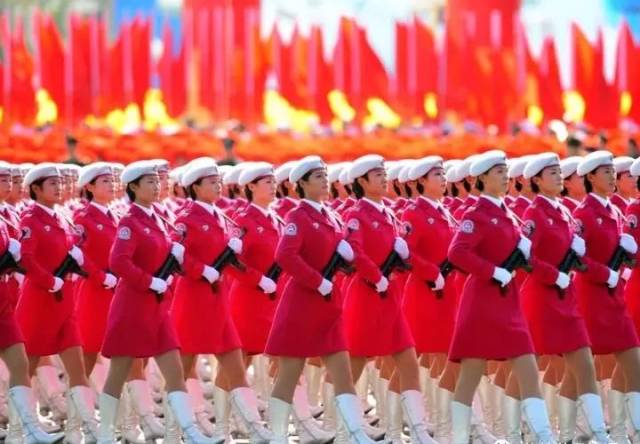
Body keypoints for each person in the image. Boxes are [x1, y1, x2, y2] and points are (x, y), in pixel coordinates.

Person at [97, 160, 220, 444]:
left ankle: (188, 432)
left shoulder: (159, 219)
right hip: (133, 306)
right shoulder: (130, 221)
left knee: (175, 371)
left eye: (157, 181)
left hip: (158, 307)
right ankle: (105, 434)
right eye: (149, 182)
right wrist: (149, 281)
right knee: (119, 372)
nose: (157, 186)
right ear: (133, 187)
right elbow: (118, 261)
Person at [265, 155, 382, 444]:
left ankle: (354, 434)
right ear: (302, 184)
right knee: (290, 373)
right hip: (303, 304)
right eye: (318, 177)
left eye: (325, 176)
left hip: (328, 305)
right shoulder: (298, 217)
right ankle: (276, 436)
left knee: (343, 372)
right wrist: (317, 281)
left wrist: (348, 257)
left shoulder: (329, 215)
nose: (325, 181)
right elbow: (285, 255)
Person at [447, 150, 554, 444]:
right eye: (499, 172)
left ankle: (543, 436)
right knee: (471, 374)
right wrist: (493, 271)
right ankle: (458, 439)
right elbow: (457, 252)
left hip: (508, 302)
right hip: (482, 302)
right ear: (482, 177)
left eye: (506, 171)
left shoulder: (506, 212)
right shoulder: (477, 214)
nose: (506, 176)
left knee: (528, 367)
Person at [171, 158, 272, 442]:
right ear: (195, 187)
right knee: (182, 369)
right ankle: (174, 431)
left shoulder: (222, 217)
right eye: (211, 182)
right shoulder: (186, 218)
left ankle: (246, 428)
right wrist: (202, 270)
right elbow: (177, 255)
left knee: (235, 364)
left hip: (218, 300)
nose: (218, 186)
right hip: (193, 300)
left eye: (218, 181)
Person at [342, 154, 435, 444]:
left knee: (408, 361)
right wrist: (376, 276)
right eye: (377, 175)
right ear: (362, 181)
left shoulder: (388, 213)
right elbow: (355, 252)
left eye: (384, 174)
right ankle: (346, 430)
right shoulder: (357, 215)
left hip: (390, 296)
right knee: (354, 366)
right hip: (367, 294)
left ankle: (412, 432)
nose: (384, 179)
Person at [519, 153, 609, 443]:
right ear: (537, 180)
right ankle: (518, 432)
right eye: (553, 173)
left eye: (560, 172)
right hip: (541, 297)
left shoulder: (563, 211)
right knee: (525, 369)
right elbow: (526, 257)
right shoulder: (534, 213)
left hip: (565, 297)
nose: (560, 177)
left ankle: (585, 434)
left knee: (583, 364)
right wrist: (553, 275)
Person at [16, 163, 99, 441]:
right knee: (27, 368)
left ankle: (84, 428)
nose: (58, 187)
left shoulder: (61, 217)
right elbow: (26, 259)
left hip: (65, 302)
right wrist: (49, 280)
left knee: (77, 367)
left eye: (59, 183)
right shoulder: (30, 219)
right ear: (36, 189)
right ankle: (21, 428)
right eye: (52, 183)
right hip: (40, 300)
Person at [573, 150, 640, 443]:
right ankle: (574, 432)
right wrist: (606, 274)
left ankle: (627, 431)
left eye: (614, 171)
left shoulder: (614, 210)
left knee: (632, 360)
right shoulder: (583, 213)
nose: (613, 176)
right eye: (607, 172)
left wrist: (628, 257)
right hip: (590, 296)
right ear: (591, 177)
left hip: (614, 296)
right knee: (580, 369)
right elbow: (578, 259)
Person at [401, 156, 460, 443]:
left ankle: (440, 423)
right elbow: (407, 253)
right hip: (425, 291)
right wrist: (432, 272)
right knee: (424, 357)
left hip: (447, 292)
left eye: (443, 174)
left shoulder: (443, 211)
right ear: (422, 181)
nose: (443, 179)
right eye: (437, 175)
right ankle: (417, 425)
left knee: (445, 356)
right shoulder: (414, 213)